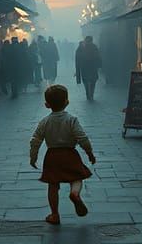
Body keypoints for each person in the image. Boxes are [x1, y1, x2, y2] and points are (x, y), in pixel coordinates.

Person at [30, 84, 97, 225]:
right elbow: (82, 137)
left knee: (53, 185)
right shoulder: (72, 120)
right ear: (67, 102)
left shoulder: (45, 121)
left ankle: (55, 214)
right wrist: (89, 152)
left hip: (52, 156)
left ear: (47, 104)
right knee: (77, 177)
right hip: (70, 154)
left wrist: (33, 156)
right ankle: (75, 193)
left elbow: (35, 140)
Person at [75, 36, 102, 101]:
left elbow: (77, 59)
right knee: (92, 82)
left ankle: (88, 94)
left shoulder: (81, 47)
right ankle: (91, 94)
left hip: (84, 68)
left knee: (86, 82)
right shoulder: (94, 47)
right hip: (92, 67)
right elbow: (98, 57)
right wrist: (99, 66)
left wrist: (78, 69)